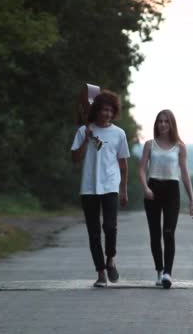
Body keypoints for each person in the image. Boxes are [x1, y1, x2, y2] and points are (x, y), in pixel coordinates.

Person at [71, 90, 130, 287]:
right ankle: (101, 273)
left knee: (110, 227)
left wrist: (124, 190)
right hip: (89, 187)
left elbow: (123, 164)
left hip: (110, 185)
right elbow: (75, 159)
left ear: (114, 112)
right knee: (94, 232)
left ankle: (110, 259)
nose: (106, 113)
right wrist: (87, 139)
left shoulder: (119, 134)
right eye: (103, 109)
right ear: (95, 110)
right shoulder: (83, 131)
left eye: (110, 110)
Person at [138, 109, 193, 289]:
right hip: (153, 190)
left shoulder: (180, 146)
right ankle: (159, 270)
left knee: (169, 232)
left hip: (172, 190)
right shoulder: (150, 145)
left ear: (172, 124)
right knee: (155, 234)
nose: (163, 124)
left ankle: (167, 273)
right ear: (156, 124)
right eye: (160, 121)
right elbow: (141, 169)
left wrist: (192, 201)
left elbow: (185, 175)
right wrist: (146, 187)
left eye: (166, 121)